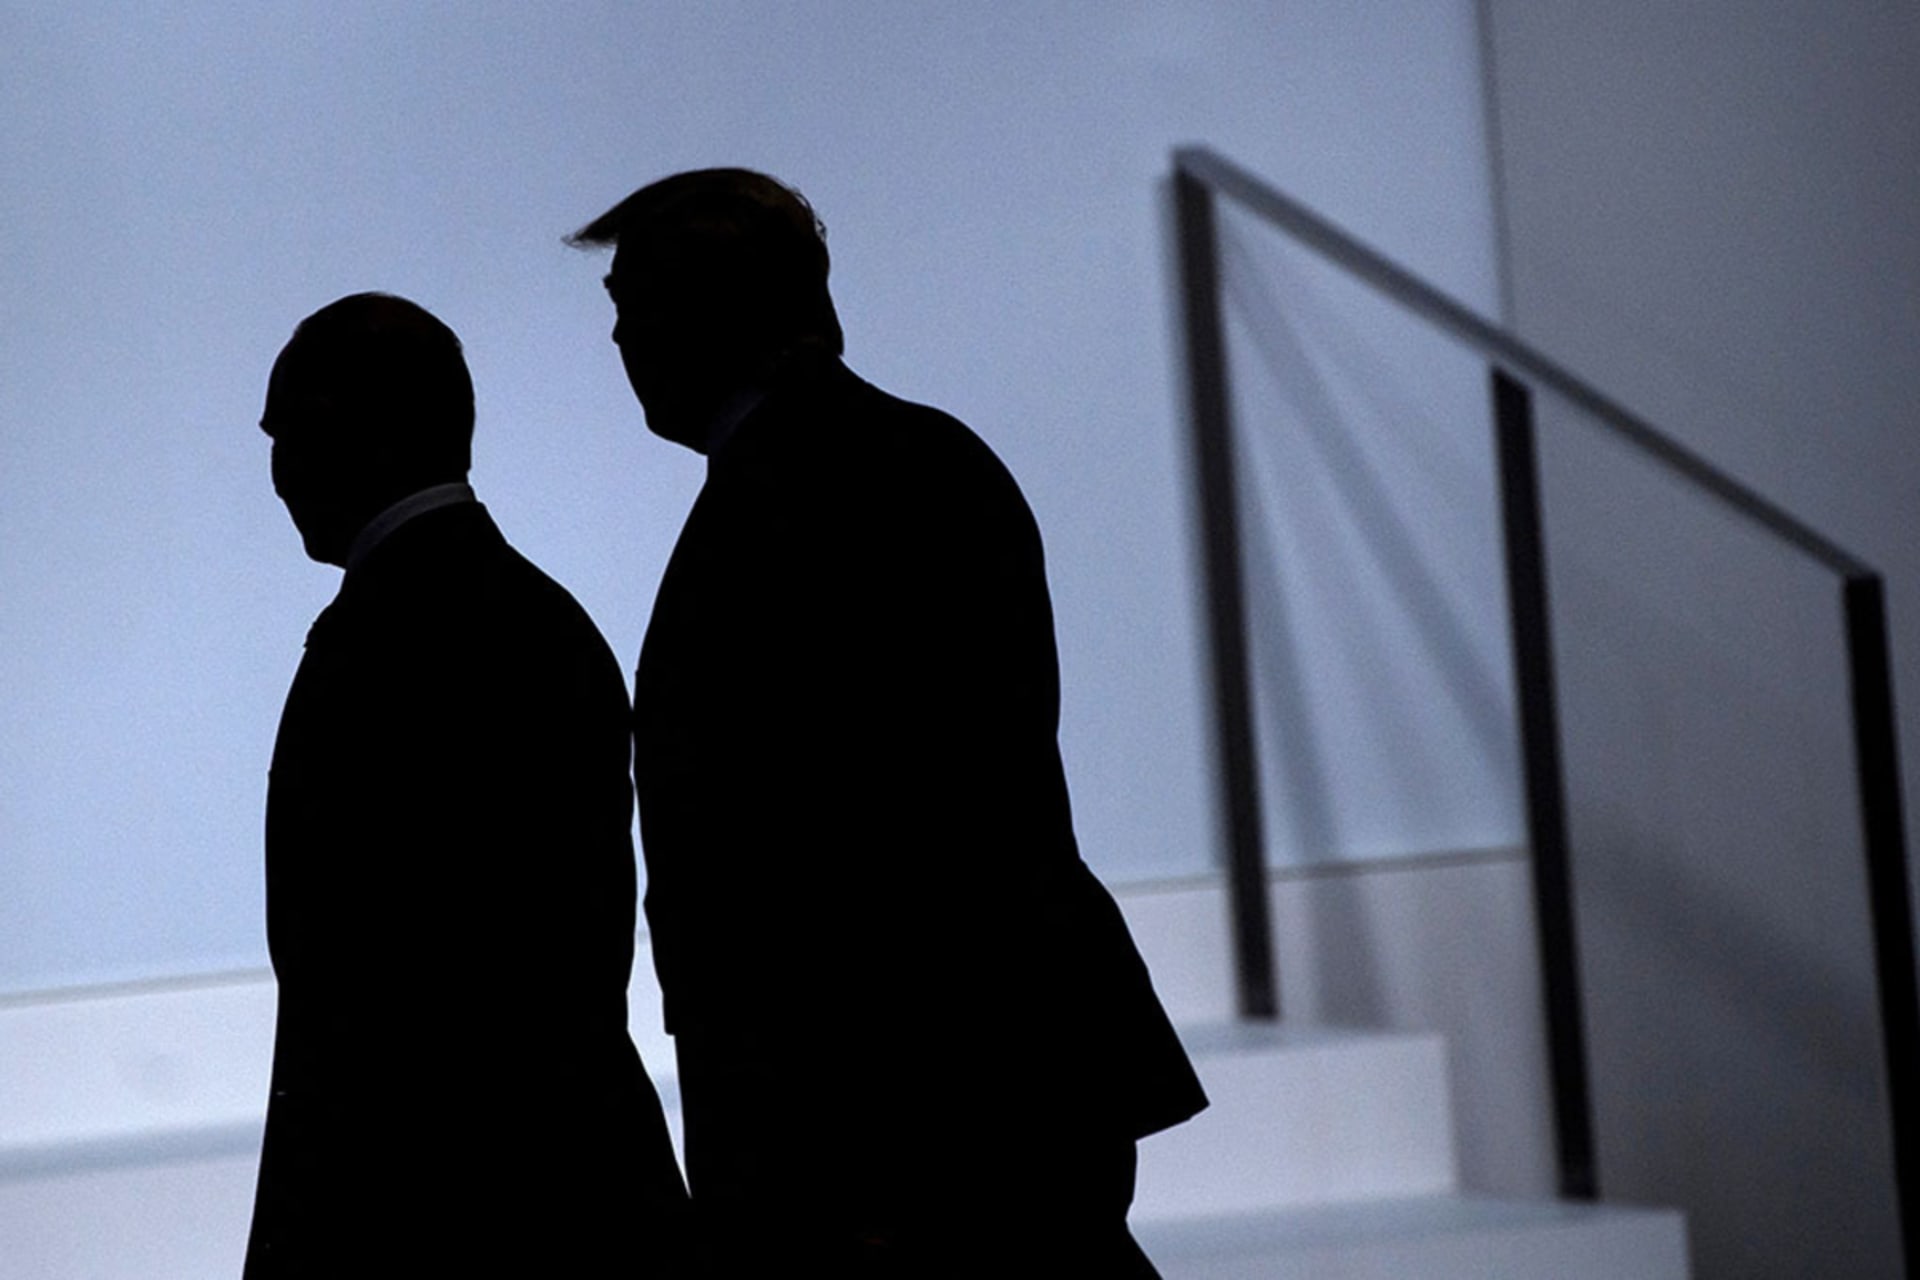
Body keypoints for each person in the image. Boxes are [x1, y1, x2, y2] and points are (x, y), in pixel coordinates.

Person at [571, 170, 1206, 1276]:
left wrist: (828, 1155)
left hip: (893, 1110)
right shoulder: (921, 457)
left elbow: (851, 847)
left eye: (633, 301)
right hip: (988, 1072)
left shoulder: (783, 502)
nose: (618, 337)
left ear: (706, 309)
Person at [245, 293, 688, 1277]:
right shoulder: (530, 614)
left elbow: (389, 984)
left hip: (442, 1204)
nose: (275, 471)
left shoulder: (390, 632)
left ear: (359, 432)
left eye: (291, 431)